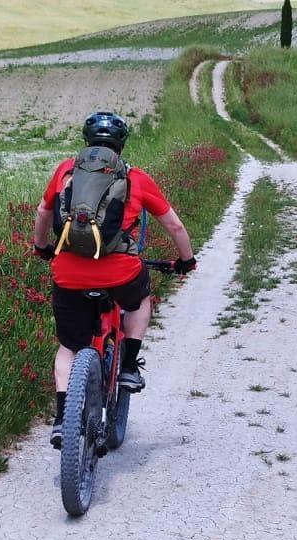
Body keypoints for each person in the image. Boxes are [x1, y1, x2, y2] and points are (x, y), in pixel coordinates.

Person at [31, 111, 197, 448]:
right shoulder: (137, 178)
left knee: (68, 347)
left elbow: (43, 212)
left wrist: (42, 247)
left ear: (86, 141)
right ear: (121, 145)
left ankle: (63, 419)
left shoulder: (66, 171)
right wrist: (186, 260)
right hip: (120, 271)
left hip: (68, 272)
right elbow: (175, 226)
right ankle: (130, 365)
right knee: (139, 301)